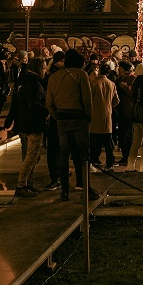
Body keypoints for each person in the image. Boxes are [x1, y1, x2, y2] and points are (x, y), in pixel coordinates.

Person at [45, 49, 95, 201]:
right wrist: (88, 115)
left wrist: (56, 116)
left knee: (63, 154)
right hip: (79, 118)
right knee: (83, 154)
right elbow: (87, 98)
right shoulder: (80, 75)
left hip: (61, 118)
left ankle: (64, 191)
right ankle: (85, 187)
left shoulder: (53, 77)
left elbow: (49, 102)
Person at [5, 58, 47, 196]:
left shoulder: (22, 83)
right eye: (44, 67)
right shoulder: (34, 85)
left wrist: (10, 120)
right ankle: (22, 185)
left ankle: (28, 182)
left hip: (23, 124)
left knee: (30, 156)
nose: (45, 70)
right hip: (33, 125)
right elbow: (33, 106)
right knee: (32, 156)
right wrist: (46, 110)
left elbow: (16, 105)